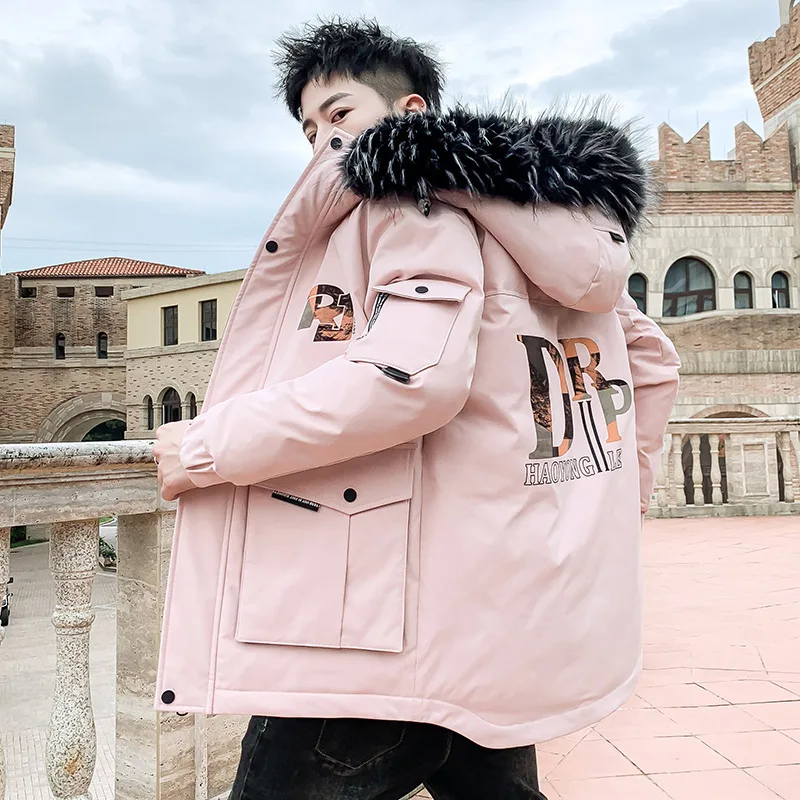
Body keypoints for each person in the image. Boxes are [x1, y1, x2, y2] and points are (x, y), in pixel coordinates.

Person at [153, 18, 680, 800]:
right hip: (503, 603)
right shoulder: (561, 222)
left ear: (409, 112)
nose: (323, 145)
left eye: (338, 114)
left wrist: (206, 446)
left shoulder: (404, 203)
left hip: (391, 615)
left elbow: (410, 378)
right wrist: (612, 502)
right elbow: (652, 365)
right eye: (308, 131)